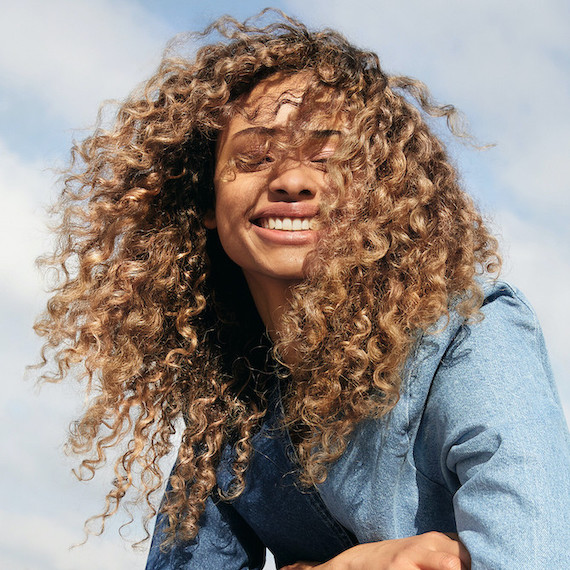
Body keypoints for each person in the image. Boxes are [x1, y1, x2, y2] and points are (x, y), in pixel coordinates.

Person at [34, 10, 570, 570]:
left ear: (379, 193)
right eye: (255, 156)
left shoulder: (473, 332)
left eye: (327, 156)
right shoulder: (226, 410)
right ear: (206, 203)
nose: (291, 179)